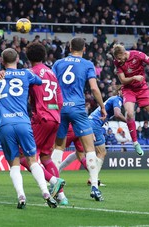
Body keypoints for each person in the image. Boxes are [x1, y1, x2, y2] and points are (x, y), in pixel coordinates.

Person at [0, 48, 57, 209]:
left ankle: (21, 196)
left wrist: (2, 74)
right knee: (32, 160)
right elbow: (39, 81)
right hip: (23, 122)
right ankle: (46, 193)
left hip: (5, 124)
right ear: (18, 59)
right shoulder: (27, 74)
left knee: (14, 164)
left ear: (2, 62)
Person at [51, 37, 107, 201]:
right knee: (89, 148)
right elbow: (94, 88)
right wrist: (102, 106)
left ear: (69, 46)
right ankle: (95, 187)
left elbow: (51, 85)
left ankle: (54, 183)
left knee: (58, 148)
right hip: (77, 108)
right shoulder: (87, 64)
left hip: (60, 108)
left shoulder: (58, 64)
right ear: (84, 49)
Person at [14, 42, 66, 205]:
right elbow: (60, 100)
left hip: (41, 118)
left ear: (28, 57)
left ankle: (53, 181)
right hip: (55, 118)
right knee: (45, 157)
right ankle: (62, 197)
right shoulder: (51, 73)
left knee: (23, 157)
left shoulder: (30, 73)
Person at [58, 86, 126, 187]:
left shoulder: (113, 99)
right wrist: (129, 122)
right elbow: (117, 113)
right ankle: (93, 179)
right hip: (95, 125)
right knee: (102, 152)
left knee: (80, 153)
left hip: (89, 123)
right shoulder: (117, 99)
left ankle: (56, 171)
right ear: (120, 91)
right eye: (123, 91)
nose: (124, 93)